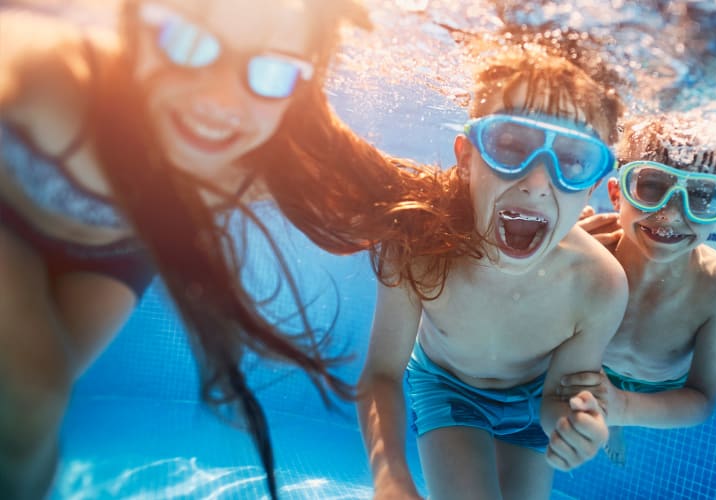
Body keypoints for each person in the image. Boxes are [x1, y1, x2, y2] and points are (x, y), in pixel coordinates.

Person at [0, 1, 472, 498]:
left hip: (116, 253)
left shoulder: (267, 159)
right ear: (136, 24)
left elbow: (406, 195)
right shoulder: (48, 72)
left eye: (271, 70)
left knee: (26, 421)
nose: (221, 97)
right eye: (188, 43)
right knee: (27, 397)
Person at [355, 35, 630, 500]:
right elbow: (382, 372)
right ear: (466, 159)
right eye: (510, 144)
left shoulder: (599, 284)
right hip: (448, 389)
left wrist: (575, 423)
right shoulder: (418, 246)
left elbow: (556, 402)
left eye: (572, 160)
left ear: (592, 188)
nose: (538, 181)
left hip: (532, 402)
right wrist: (391, 479)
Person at [563, 114, 716, 465]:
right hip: (592, 368)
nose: (670, 214)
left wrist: (622, 407)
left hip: (658, 386)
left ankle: (617, 418)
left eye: (700, 195)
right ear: (617, 194)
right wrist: (557, 252)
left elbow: (700, 399)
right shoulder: (588, 251)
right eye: (651, 187)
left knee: (619, 410)